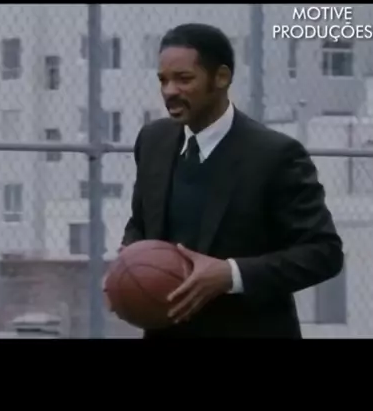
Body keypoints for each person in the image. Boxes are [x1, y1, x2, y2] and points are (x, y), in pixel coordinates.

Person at [109, 22, 344, 338]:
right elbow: (140, 222)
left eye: (184, 79)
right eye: (163, 80)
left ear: (221, 77)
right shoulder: (153, 141)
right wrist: (128, 263)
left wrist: (230, 274)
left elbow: (323, 253)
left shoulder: (275, 155)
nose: (169, 91)